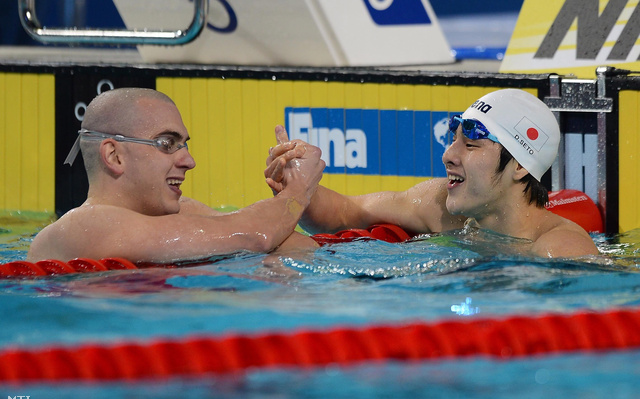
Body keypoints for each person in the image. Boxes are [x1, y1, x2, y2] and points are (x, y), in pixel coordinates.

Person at [265, 89, 599, 258]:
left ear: (520, 166)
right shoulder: (437, 204)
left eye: (470, 145)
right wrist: (296, 188)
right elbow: (345, 212)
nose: (448, 155)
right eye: (453, 141)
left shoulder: (558, 249)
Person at [27, 88, 324, 264]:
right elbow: (254, 234)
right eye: (167, 143)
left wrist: (285, 204)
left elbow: (299, 248)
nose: (189, 161)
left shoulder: (185, 213)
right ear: (114, 156)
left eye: (184, 145)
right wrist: (296, 194)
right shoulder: (79, 229)